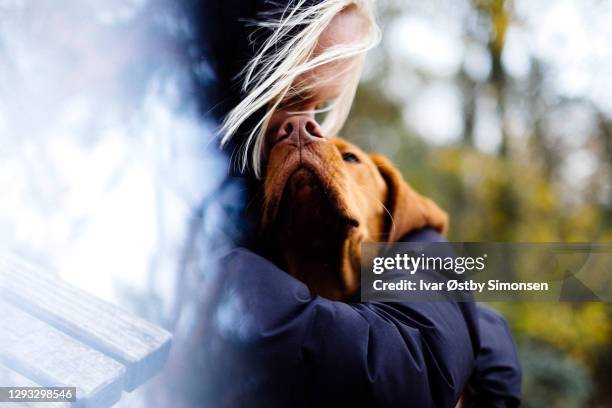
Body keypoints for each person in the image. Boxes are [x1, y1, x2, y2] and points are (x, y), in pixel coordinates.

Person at [160, 1, 522, 407]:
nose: (307, 125)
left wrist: (475, 328)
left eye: (322, 104)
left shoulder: (409, 238)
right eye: (291, 94)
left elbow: (420, 357)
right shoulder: (176, 193)